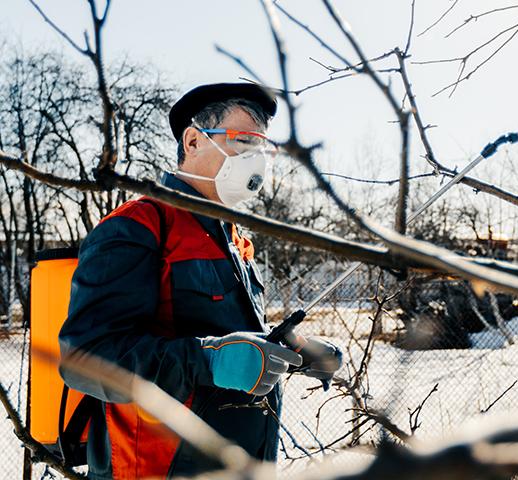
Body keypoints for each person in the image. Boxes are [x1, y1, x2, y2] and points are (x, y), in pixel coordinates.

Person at [59, 82, 342, 479]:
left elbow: (235, 340)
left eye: (263, 149)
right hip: (155, 468)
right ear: (193, 141)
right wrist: (207, 360)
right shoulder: (138, 225)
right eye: (244, 142)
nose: (256, 160)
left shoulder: (236, 239)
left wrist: (292, 352)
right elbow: (84, 359)